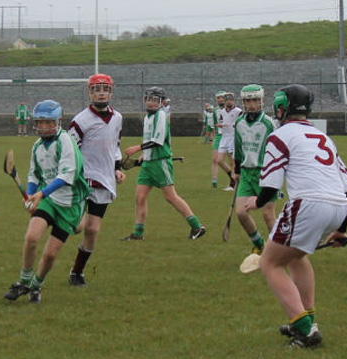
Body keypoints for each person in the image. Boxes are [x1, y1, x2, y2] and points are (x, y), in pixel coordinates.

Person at [245, 84, 347, 348]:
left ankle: (304, 329)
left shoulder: (279, 136)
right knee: (297, 257)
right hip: (338, 204)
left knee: (269, 263)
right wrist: (341, 228)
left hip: (308, 204)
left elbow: (271, 185)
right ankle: (307, 318)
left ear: (281, 108)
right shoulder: (323, 137)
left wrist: (256, 201)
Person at [4, 100, 89, 303]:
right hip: (49, 200)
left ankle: (36, 286)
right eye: (40, 123)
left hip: (70, 204)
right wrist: (31, 196)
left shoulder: (65, 141)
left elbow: (66, 176)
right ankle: (24, 283)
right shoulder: (37, 146)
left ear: (58, 121)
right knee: (32, 237)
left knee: (50, 255)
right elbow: (34, 176)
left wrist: (40, 194)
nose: (43, 127)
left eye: (48, 122)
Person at [121, 86, 205, 241]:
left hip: (160, 163)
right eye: (149, 99)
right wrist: (144, 155)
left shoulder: (160, 116)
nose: (151, 103)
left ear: (161, 102)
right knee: (139, 197)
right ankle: (137, 233)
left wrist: (137, 148)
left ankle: (197, 226)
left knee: (171, 197)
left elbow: (157, 142)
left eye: (155, 100)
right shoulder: (148, 117)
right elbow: (149, 141)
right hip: (148, 163)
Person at [67, 74, 126, 287]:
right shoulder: (80, 120)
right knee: (77, 227)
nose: (101, 92)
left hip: (104, 181)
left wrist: (117, 168)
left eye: (106, 89)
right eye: (97, 89)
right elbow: (69, 150)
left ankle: (77, 271)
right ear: (89, 92)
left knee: (92, 230)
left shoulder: (118, 118)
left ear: (111, 92)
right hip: (82, 180)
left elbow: (115, 146)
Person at [233, 84, 277, 273]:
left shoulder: (268, 123)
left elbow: (276, 148)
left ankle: (279, 250)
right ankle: (259, 244)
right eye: (248, 101)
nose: (251, 105)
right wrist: (236, 170)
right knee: (241, 213)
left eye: (255, 101)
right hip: (246, 173)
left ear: (262, 101)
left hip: (265, 173)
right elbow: (238, 147)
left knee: (268, 215)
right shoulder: (239, 122)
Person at [217, 92, 242, 191]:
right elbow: (222, 121)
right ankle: (231, 177)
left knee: (232, 161)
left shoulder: (238, 111)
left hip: (233, 136)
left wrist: (235, 125)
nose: (229, 102)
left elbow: (242, 122)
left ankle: (233, 184)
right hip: (224, 137)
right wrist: (220, 125)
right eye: (227, 100)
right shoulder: (222, 111)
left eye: (230, 100)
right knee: (219, 160)